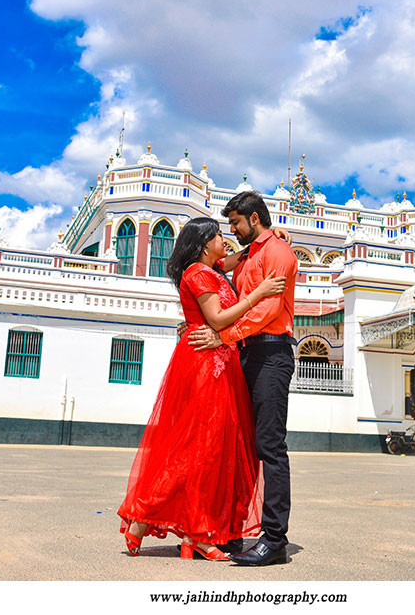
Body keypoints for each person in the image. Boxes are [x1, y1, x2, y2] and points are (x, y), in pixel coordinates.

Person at [118, 217, 286, 561]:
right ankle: (145, 517)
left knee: (214, 453)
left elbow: (238, 256)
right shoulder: (198, 273)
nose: (225, 240)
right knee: (198, 450)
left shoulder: (214, 269)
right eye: (219, 235)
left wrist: (270, 236)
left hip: (223, 363)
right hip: (206, 365)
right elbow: (218, 319)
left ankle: (201, 530)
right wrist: (259, 293)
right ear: (205, 243)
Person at [188, 190, 297, 566]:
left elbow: (268, 309)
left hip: (270, 352)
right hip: (245, 353)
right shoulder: (246, 256)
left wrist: (224, 335)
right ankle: (236, 531)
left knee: (270, 445)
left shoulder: (278, 253)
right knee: (242, 447)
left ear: (253, 218)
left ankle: (275, 539)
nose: (232, 230)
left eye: (235, 222)